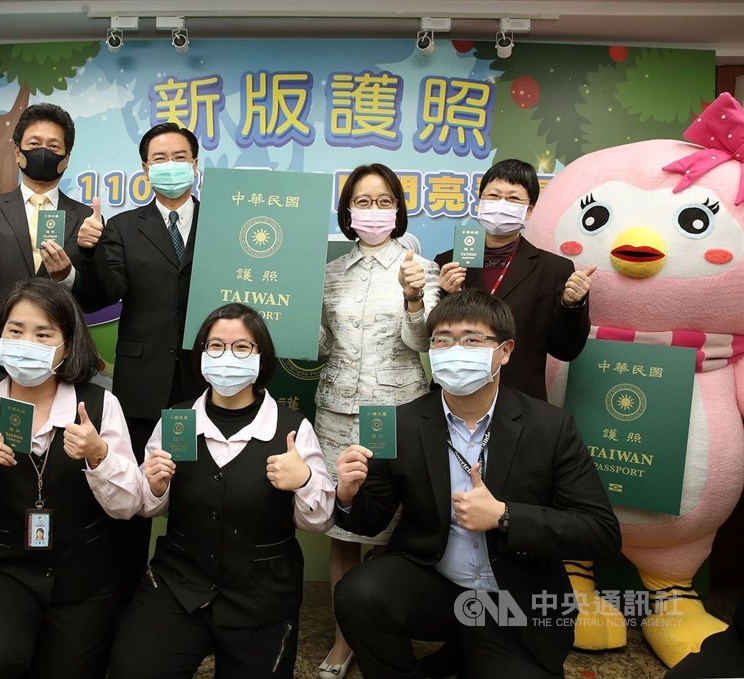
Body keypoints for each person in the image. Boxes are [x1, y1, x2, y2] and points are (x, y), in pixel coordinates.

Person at [333, 289, 621, 679]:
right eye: (442, 340)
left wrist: (505, 516)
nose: (455, 350)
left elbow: (600, 533)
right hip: (435, 585)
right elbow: (372, 520)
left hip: (512, 602)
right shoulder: (398, 423)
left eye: (471, 339)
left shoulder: (549, 426)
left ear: (504, 351)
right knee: (359, 592)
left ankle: (471, 654)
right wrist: (349, 496)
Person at [108, 303, 336, 679]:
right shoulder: (178, 421)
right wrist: (154, 484)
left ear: (261, 357)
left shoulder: (292, 429)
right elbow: (146, 507)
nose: (226, 356)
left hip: (261, 596)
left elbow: (320, 521)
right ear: (201, 355)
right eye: (215, 346)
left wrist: (305, 479)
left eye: (242, 347)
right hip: (179, 586)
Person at [0, 278, 141, 679]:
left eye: (43, 334)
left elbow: (130, 504)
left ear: (67, 344)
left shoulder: (101, 406)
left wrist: (98, 456)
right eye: (15, 331)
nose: (26, 342)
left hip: (85, 575)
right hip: (5, 569)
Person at [316, 163, 440, 679]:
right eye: (362, 202)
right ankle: (344, 641)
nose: (373, 211)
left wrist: (415, 296)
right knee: (343, 530)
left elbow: (424, 342)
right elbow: (319, 348)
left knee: (391, 534)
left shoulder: (421, 268)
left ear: (398, 208)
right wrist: (294, 318)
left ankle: (382, 636)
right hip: (337, 413)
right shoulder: (328, 273)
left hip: (398, 414)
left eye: (383, 200)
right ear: (347, 212)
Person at [75, 121, 205, 591]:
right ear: (145, 168)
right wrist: (87, 255)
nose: (170, 166)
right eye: (159, 159)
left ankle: (183, 587)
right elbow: (102, 294)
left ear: (195, 163)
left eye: (179, 157)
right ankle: (125, 592)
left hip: (204, 381)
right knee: (135, 489)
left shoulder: (226, 224)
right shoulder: (123, 227)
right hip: (142, 383)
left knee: (192, 489)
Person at [0, 103, 101, 386]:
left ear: (66, 159)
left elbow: (95, 294)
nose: (43, 151)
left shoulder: (86, 219)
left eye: (54, 146)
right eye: (34, 143)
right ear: (18, 153)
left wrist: (66, 276)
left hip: (56, 351)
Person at [433, 159, 594, 401]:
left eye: (513, 198)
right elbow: (431, 338)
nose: (501, 205)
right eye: (494, 196)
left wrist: (571, 305)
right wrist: (446, 295)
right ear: (480, 202)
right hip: (453, 397)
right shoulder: (449, 262)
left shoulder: (553, 269)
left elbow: (565, 349)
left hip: (520, 401)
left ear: (529, 209)